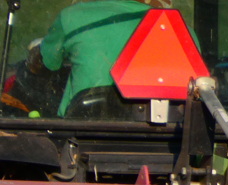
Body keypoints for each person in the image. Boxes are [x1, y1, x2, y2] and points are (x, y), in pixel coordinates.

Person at [27, 0, 172, 117]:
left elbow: (47, 63)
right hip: (160, 138)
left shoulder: (71, 16)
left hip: (81, 134)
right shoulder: (177, 29)